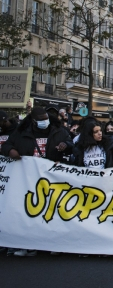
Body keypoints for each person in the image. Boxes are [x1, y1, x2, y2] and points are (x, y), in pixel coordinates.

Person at [1, 107, 72, 257]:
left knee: (52, 210)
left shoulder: (58, 131)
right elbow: (7, 145)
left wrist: (66, 146)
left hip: (53, 178)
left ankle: (54, 243)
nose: (44, 122)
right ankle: (29, 244)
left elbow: (72, 144)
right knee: (29, 210)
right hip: (28, 178)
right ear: (33, 121)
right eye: (41, 120)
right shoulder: (22, 133)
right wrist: (10, 151)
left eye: (46, 118)